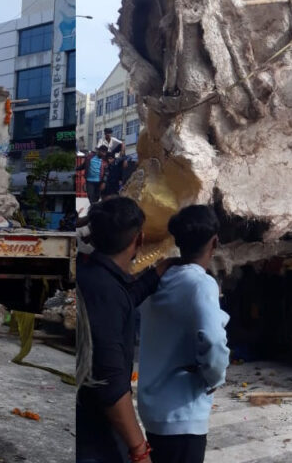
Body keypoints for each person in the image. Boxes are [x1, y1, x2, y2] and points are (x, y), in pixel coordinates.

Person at [76, 197, 165, 463]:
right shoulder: (105, 291)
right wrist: (139, 450)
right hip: (96, 436)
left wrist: (156, 274)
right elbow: (111, 384)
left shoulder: (95, 276)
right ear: (139, 239)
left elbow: (124, 300)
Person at [138, 205, 229, 463]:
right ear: (215, 242)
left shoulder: (160, 278)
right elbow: (213, 340)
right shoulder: (200, 284)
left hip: (154, 409)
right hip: (183, 415)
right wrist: (214, 378)